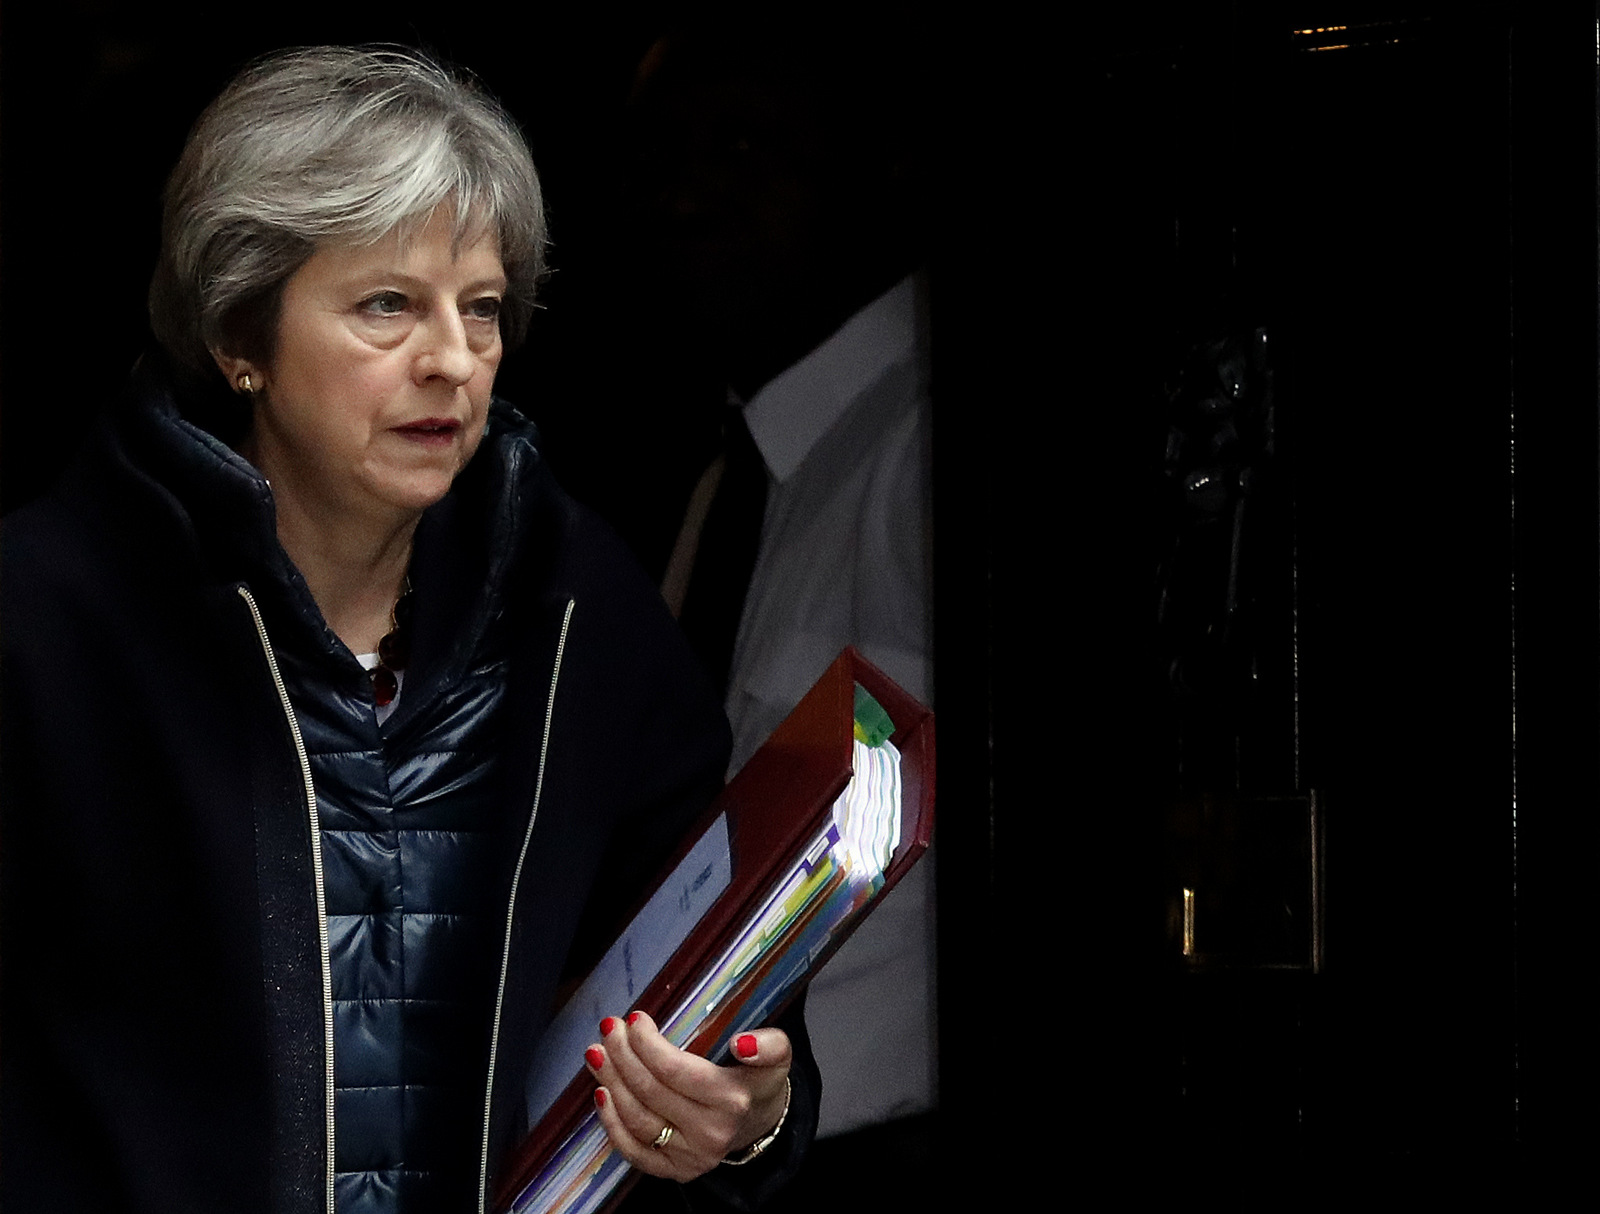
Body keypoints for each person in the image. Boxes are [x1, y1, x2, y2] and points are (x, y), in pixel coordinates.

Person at [0, 46, 815, 1214]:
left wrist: (752, 1112)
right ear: (241, 337)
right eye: (387, 303)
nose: (451, 360)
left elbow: (718, 957)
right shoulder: (49, 617)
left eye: (479, 309)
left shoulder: (574, 605)